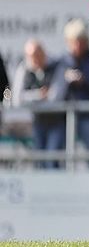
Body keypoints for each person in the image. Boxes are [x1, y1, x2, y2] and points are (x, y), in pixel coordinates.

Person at [51, 19, 89, 167]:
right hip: (65, 116)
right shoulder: (62, 61)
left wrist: (83, 80)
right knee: (64, 152)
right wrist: (64, 80)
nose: (78, 45)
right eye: (75, 41)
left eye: (81, 41)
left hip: (88, 116)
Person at [12, 39, 64, 169]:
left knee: (52, 160)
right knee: (38, 162)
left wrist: (30, 99)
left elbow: (54, 99)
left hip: (57, 122)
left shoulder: (57, 66)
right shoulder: (25, 68)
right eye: (32, 57)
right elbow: (17, 99)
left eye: (37, 56)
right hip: (38, 122)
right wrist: (38, 95)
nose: (35, 60)